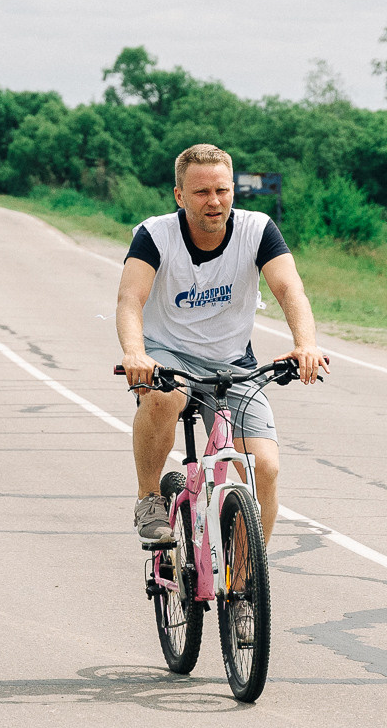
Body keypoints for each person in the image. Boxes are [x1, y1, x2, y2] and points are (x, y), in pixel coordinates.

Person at [118, 143, 326, 548]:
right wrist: (134, 353)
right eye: (201, 193)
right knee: (165, 396)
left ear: (232, 190)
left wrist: (306, 344)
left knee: (264, 467)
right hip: (167, 353)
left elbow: (289, 288)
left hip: (231, 362)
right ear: (180, 196)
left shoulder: (257, 229)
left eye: (222, 190)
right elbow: (130, 299)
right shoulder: (154, 235)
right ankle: (149, 498)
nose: (214, 202)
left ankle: (250, 575)